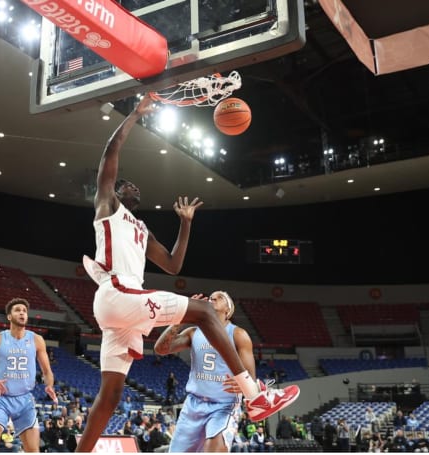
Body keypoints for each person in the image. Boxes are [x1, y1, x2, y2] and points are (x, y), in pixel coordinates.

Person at [75, 96, 299, 452]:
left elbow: (174, 265)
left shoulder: (141, 228)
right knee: (206, 311)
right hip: (118, 292)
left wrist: (185, 225)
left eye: (135, 186)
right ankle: (254, 395)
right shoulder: (107, 206)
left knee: (110, 395)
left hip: (123, 310)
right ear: (115, 191)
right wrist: (134, 115)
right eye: (126, 184)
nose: (132, 186)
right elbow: (109, 153)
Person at [154, 290, 257, 452]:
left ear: (228, 310)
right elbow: (161, 349)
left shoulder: (238, 334)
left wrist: (244, 385)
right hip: (194, 405)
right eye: (210, 297)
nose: (212, 298)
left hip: (223, 405)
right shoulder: (193, 332)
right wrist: (180, 318)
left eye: (220, 298)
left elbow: (251, 378)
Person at [0, 298, 58, 453]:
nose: (22, 313)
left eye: (24, 310)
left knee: (33, 450)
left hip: (25, 400)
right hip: (1, 399)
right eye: (17, 310)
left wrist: (49, 385)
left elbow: (47, 371)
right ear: (9, 316)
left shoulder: (36, 339)